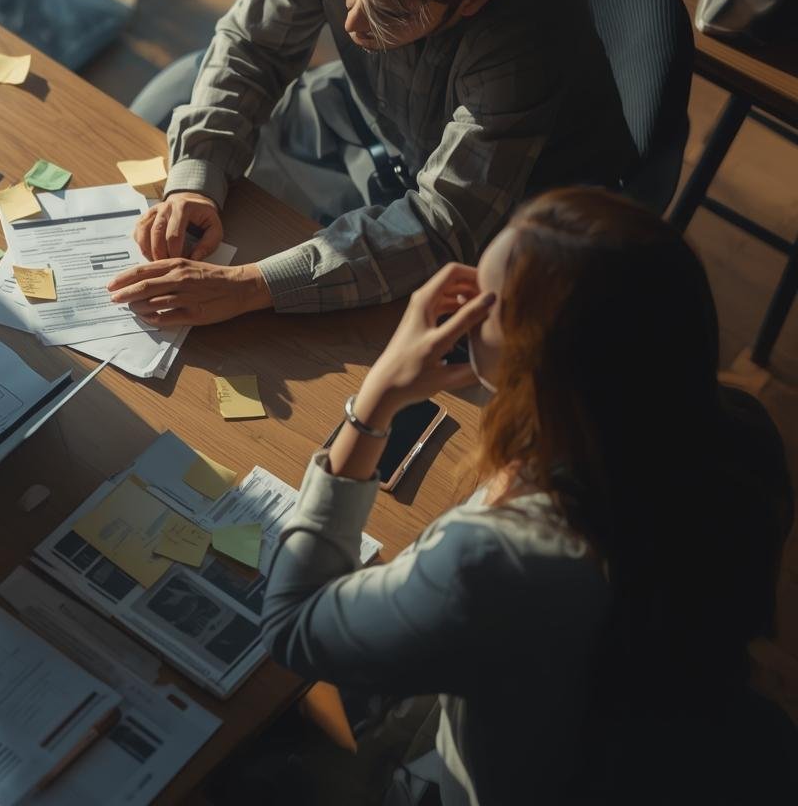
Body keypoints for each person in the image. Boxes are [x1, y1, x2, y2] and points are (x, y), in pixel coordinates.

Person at [256, 187, 795, 804]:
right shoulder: (743, 433)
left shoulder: (498, 562)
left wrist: (374, 400)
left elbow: (293, 626)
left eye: (482, 303)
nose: (459, 310)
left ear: (540, 363)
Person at [107, 0, 637, 323]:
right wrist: (194, 181)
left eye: (391, 13)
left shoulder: (528, 31)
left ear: (473, 2)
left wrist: (251, 286)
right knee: (188, 120)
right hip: (376, 123)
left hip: (515, 206)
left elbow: (442, 224)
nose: (355, 24)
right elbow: (256, 44)